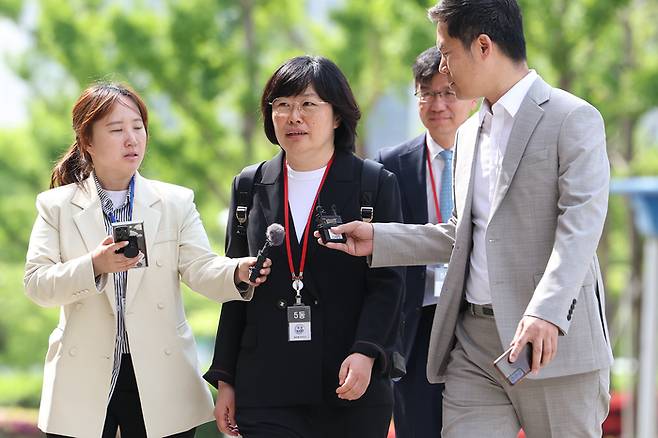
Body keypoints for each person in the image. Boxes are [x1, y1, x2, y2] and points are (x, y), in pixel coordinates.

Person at [318, 1, 612, 436]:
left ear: (483, 46)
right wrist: (380, 238)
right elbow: (462, 233)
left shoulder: (573, 118)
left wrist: (546, 313)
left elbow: (580, 226)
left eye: (447, 52)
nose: (442, 66)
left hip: (553, 342)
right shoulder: (471, 133)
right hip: (474, 346)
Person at [24, 82, 271, 438]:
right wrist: (94, 266)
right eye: (116, 129)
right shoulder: (56, 207)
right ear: (87, 141)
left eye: (138, 127)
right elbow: (36, 283)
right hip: (83, 377)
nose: (132, 139)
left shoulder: (175, 202)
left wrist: (238, 270)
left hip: (160, 372)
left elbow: (200, 268)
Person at [203, 55, 404, 438]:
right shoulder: (249, 185)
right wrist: (226, 378)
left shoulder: (374, 184)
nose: (294, 116)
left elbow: (390, 282)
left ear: (338, 116)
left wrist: (367, 351)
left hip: (349, 381)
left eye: (308, 104)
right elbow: (235, 288)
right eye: (282, 105)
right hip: (266, 384)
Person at [375, 46, 476, 438]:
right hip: (416, 320)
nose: (438, 103)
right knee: (416, 423)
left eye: (449, 92)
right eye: (427, 92)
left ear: (469, 97)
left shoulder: (490, 157)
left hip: (473, 316)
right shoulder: (391, 164)